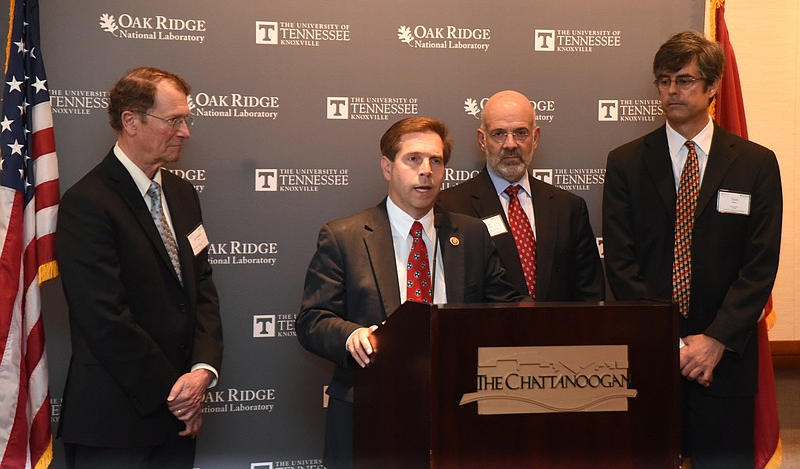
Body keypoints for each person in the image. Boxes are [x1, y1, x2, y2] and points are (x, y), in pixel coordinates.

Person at [296, 116, 524, 469]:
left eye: (436, 161)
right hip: (371, 411)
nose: (426, 171)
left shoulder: (472, 234)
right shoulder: (345, 236)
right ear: (387, 168)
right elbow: (312, 320)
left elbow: (504, 312)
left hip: (458, 411)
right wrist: (351, 334)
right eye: (413, 159)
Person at [602, 30, 782, 468]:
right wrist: (669, 342)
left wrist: (715, 340)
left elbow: (759, 266)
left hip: (724, 362)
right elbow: (622, 262)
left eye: (684, 80)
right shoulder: (625, 162)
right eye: (664, 81)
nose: (671, 91)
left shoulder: (756, 163)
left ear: (713, 86)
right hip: (650, 357)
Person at [56, 67, 224, 468]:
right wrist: (176, 393)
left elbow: (202, 289)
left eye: (187, 119)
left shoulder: (183, 195)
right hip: (115, 425)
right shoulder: (88, 202)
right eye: (174, 120)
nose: (185, 131)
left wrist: (202, 372)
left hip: (180, 421)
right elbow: (103, 318)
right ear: (131, 121)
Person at [438, 90, 604, 301]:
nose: (510, 144)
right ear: (482, 140)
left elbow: (589, 293)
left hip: (559, 333)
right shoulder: (450, 206)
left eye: (521, 133)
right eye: (499, 134)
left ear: (535, 138)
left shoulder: (569, 207)